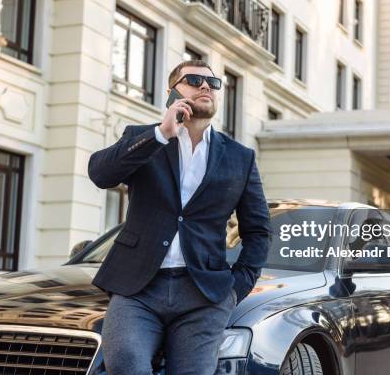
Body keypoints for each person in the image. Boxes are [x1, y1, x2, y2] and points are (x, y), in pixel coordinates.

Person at [88, 60, 271, 375]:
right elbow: (100, 173)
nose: (205, 87)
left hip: (203, 293)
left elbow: (258, 230)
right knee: (126, 363)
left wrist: (235, 288)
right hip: (137, 289)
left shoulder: (240, 157)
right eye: (194, 80)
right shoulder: (143, 138)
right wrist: (161, 134)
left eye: (213, 84)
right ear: (172, 91)